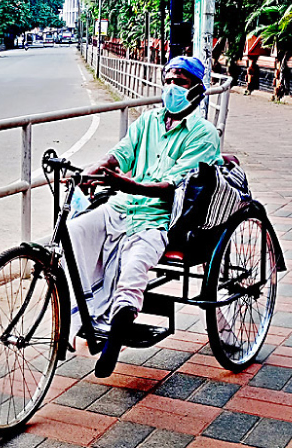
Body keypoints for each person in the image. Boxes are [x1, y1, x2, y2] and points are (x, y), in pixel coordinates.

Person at [69, 56, 223, 377]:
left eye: (179, 82)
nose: (171, 88)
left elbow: (173, 186)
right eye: (168, 81)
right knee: (74, 232)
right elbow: (121, 153)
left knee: (135, 268)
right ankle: (81, 313)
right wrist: (93, 172)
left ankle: (116, 335)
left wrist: (128, 183)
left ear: (196, 89)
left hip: (160, 220)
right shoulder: (147, 122)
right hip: (121, 208)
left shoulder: (204, 134)